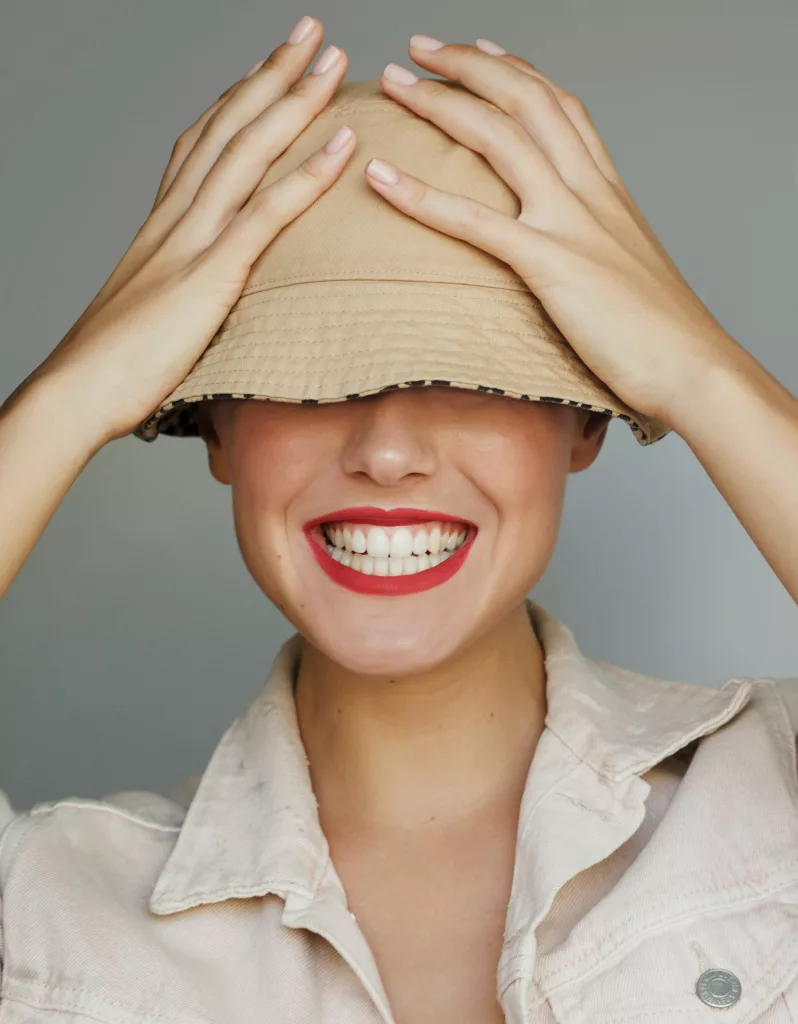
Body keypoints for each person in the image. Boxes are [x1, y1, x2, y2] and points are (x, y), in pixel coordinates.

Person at [0, 15, 796, 1024]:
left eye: (469, 377)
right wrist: (70, 392)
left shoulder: (769, 793)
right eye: (306, 379)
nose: (385, 448)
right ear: (213, 430)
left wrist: (700, 370)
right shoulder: (49, 916)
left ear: (586, 420)